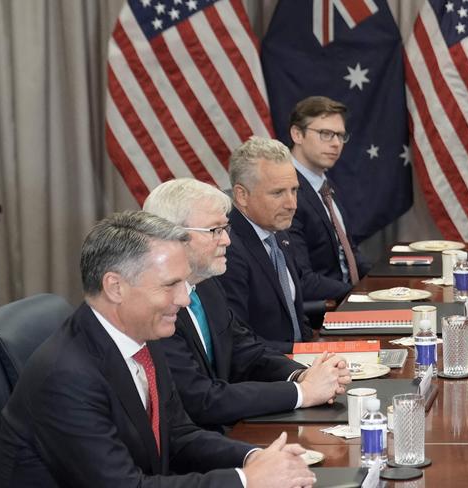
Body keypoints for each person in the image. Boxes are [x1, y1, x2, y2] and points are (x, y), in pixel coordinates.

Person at [0, 211, 315, 488]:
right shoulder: (65, 376)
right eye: (169, 285)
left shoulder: (143, 335)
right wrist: (246, 480)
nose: (185, 299)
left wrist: (254, 456)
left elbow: (178, 435)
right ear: (115, 287)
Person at [143, 178, 351, 432]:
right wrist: (301, 392)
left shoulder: (206, 285)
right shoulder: (155, 307)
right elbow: (201, 399)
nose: (227, 241)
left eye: (225, 229)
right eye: (214, 231)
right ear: (172, 236)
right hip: (193, 448)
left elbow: (245, 350)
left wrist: (302, 374)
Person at [219, 136, 311, 353]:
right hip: (267, 376)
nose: (292, 204)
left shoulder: (276, 231)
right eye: (278, 193)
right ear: (242, 195)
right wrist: (305, 355)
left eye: (294, 190)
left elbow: (296, 316)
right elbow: (239, 341)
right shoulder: (227, 248)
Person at [288, 96, 371, 303]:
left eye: (340, 136)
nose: (336, 143)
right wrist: (359, 294)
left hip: (347, 297)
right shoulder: (287, 190)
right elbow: (301, 279)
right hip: (323, 310)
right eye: (325, 134)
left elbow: (349, 251)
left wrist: (380, 284)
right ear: (297, 134)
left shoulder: (324, 183)